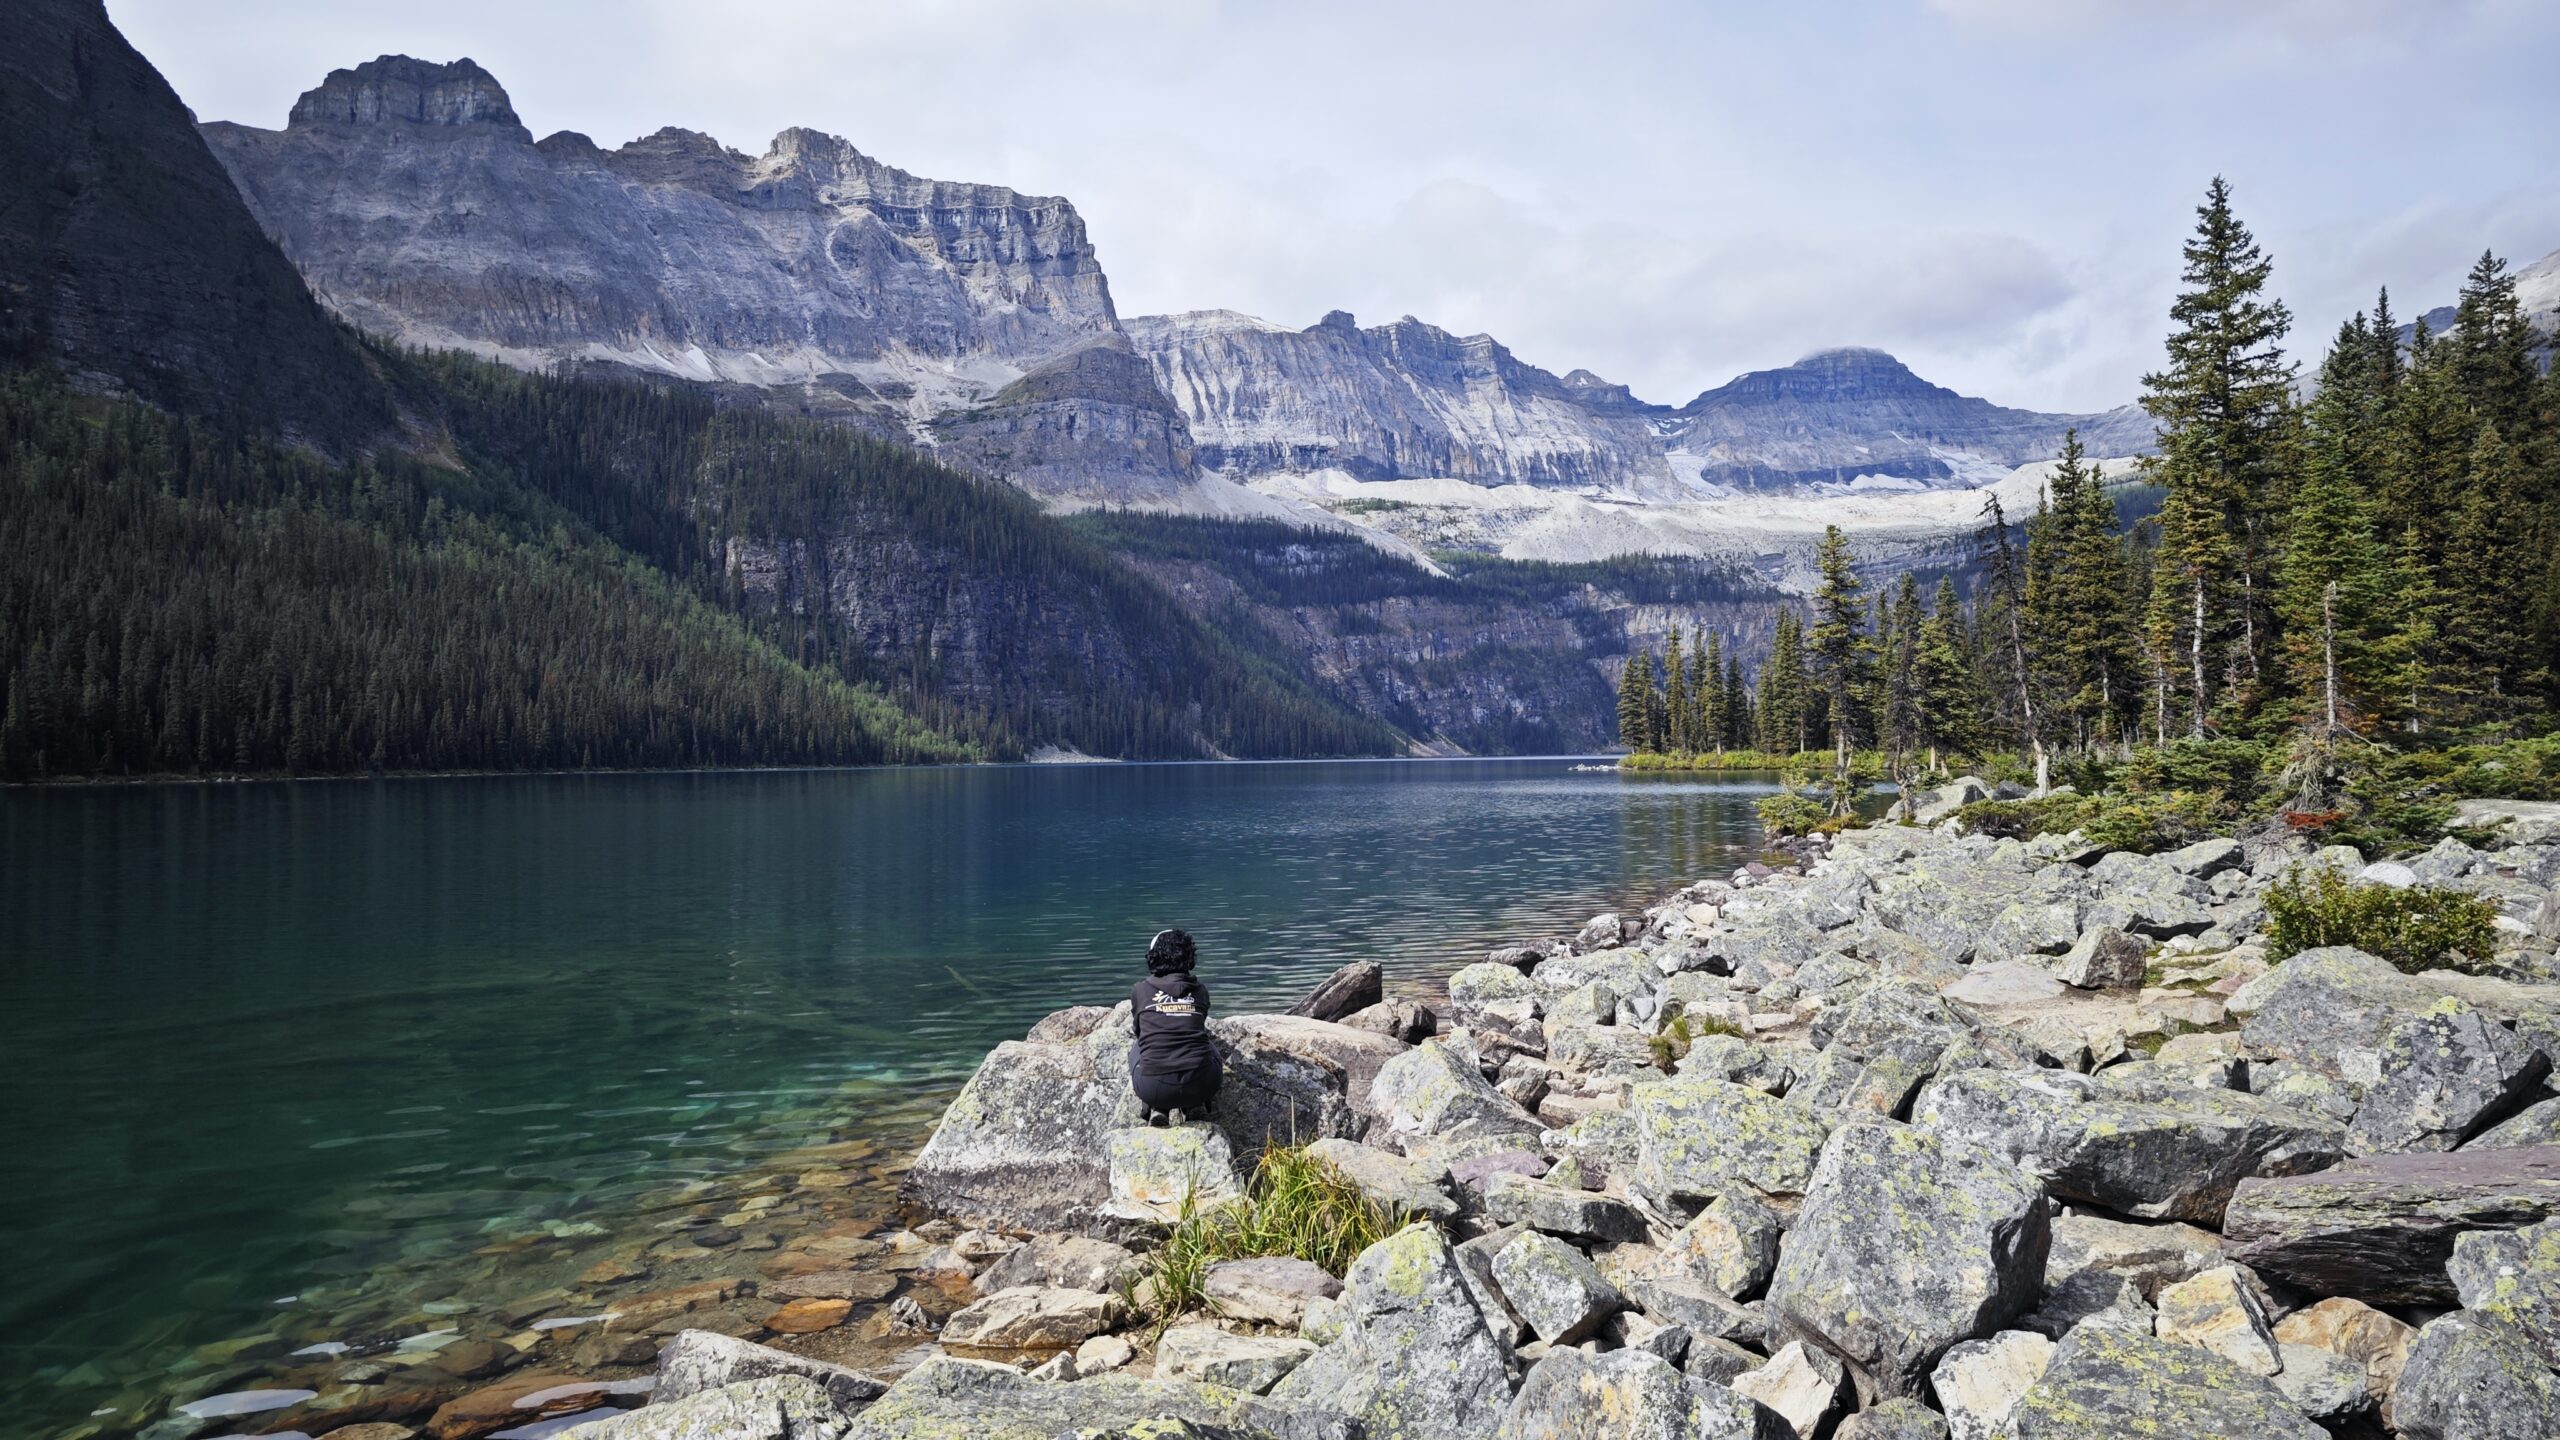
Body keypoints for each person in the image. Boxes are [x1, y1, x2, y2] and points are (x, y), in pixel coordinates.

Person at [1129, 928, 1220, 1126]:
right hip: (1202, 1084)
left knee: (1139, 1047)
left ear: (1153, 956)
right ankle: (1196, 1105)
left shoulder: (1141, 990)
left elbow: (1139, 1032)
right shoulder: (1200, 990)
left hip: (1153, 1087)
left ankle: (1156, 1107)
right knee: (1209, 1045)